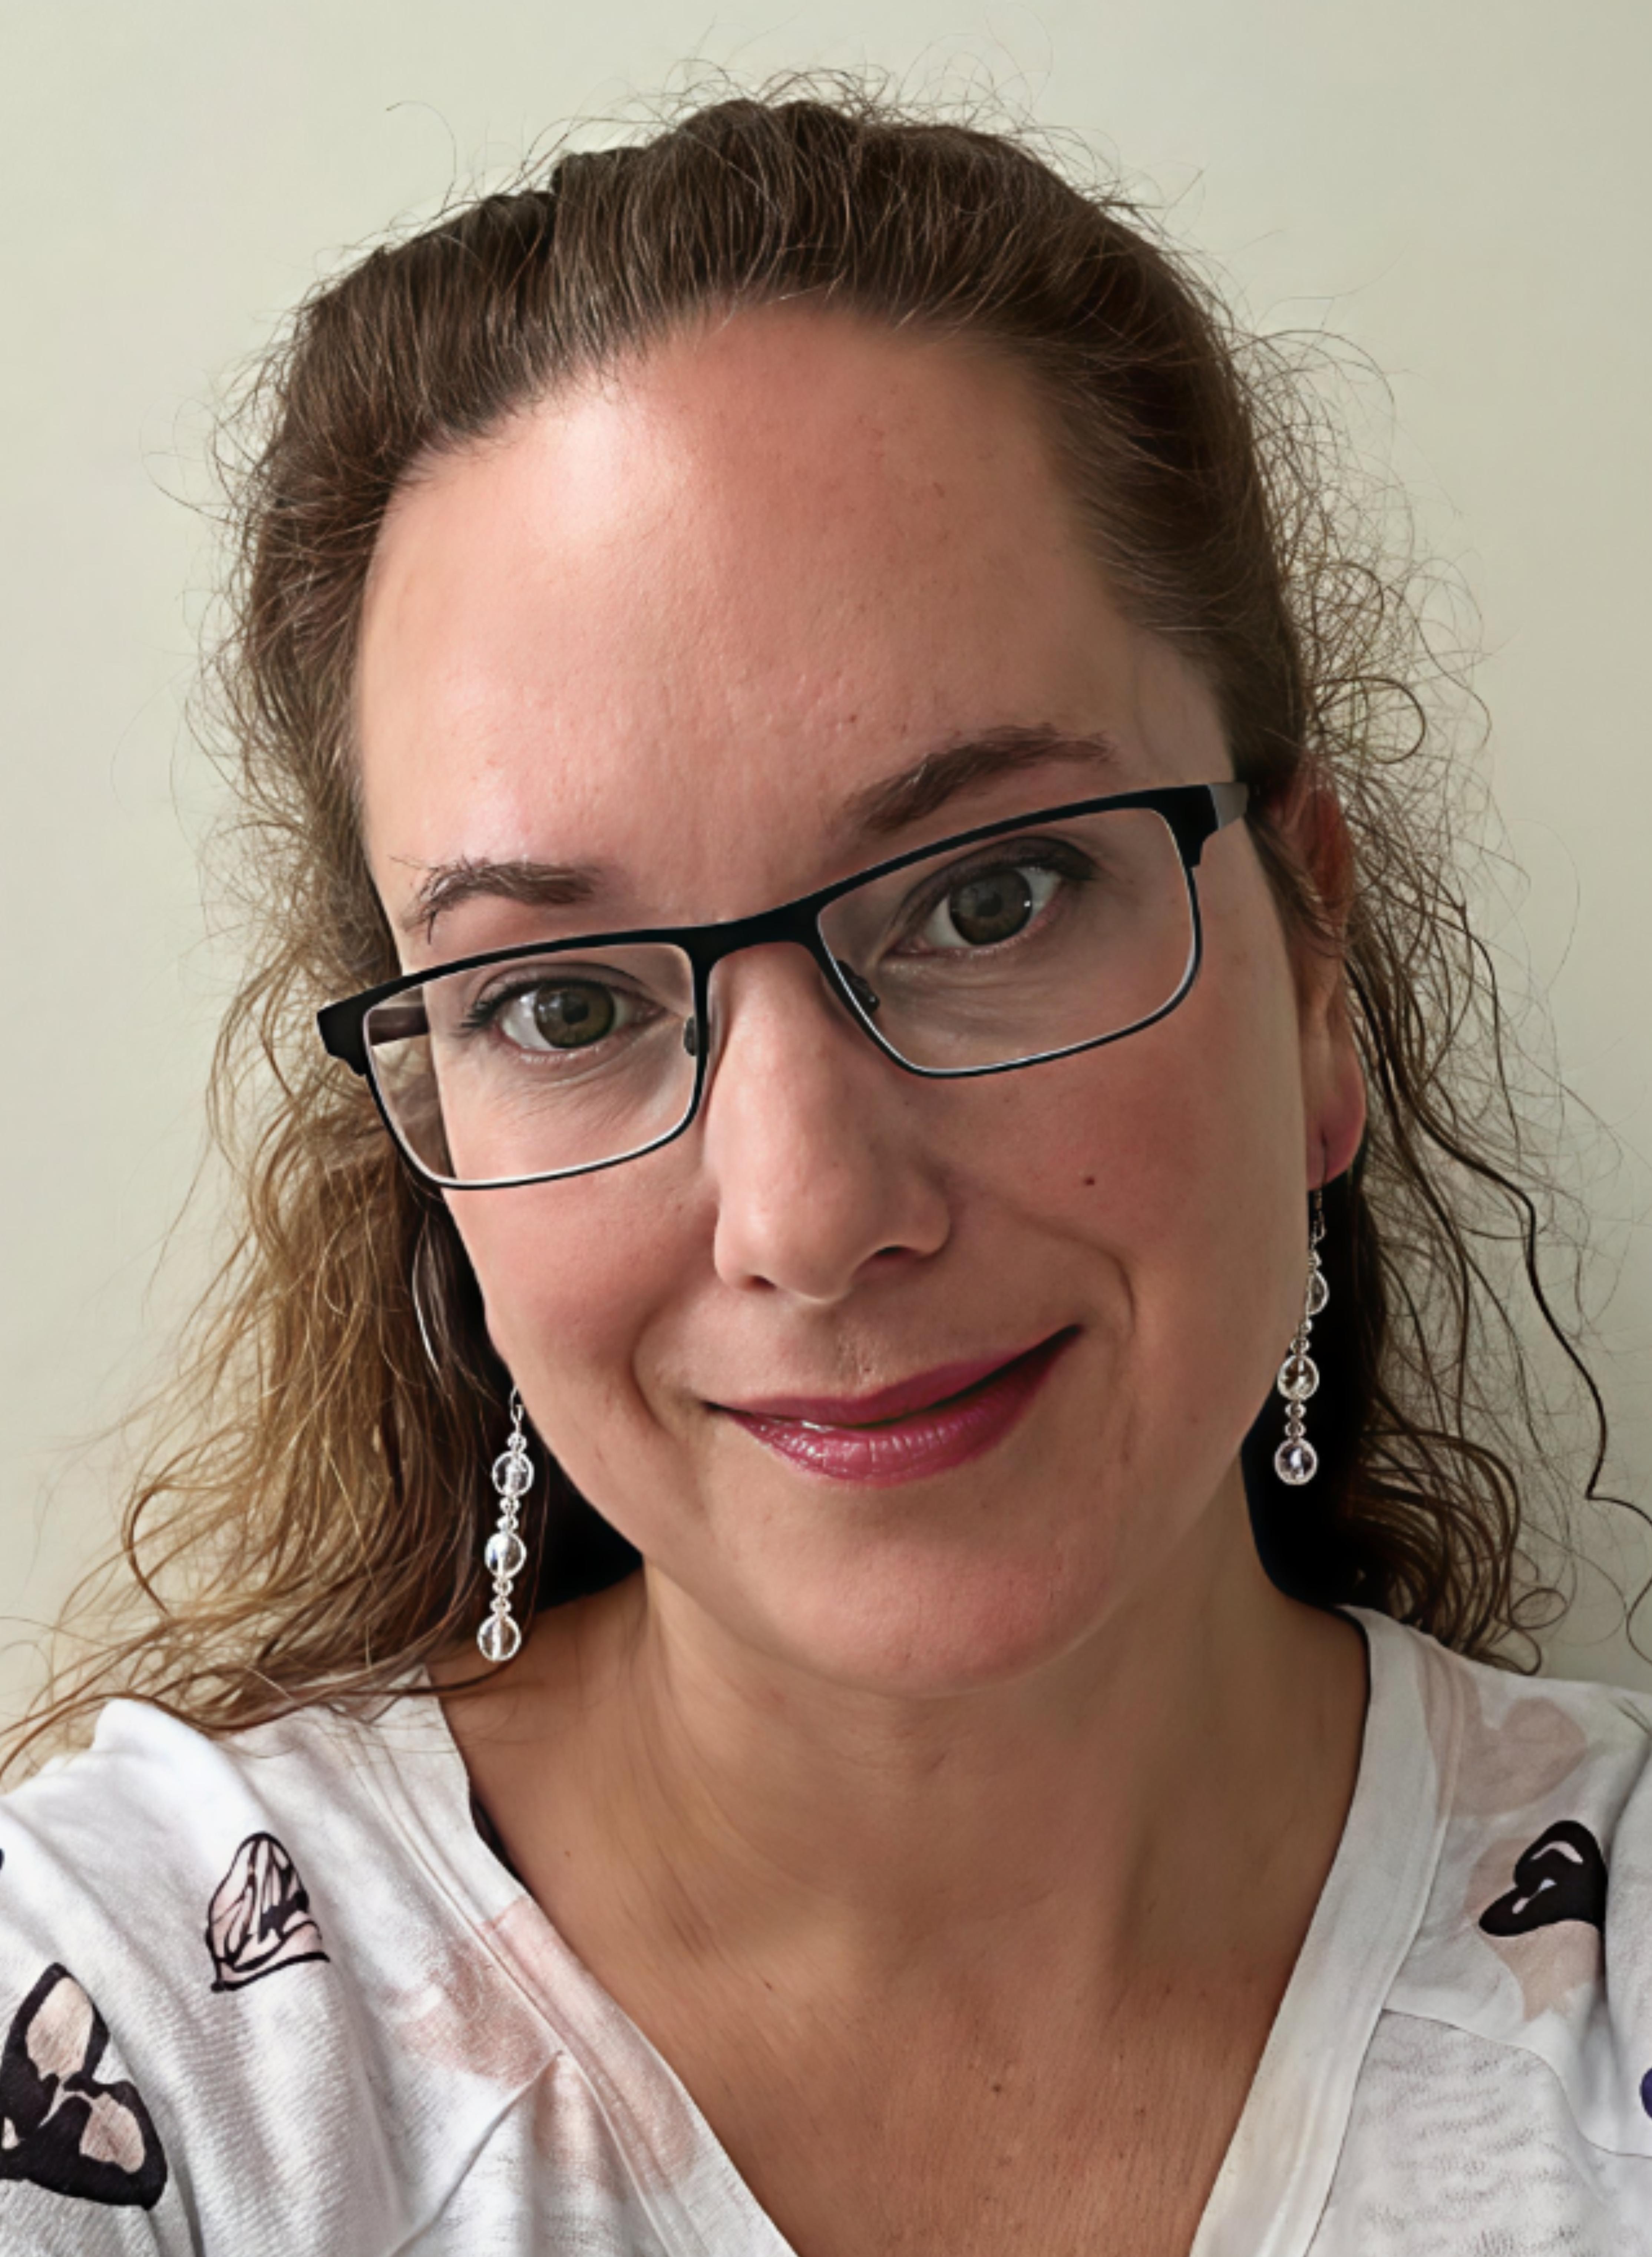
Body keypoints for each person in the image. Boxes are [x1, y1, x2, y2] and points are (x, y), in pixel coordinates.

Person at [1, 85, 1647, 2257]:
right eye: (561, 1005)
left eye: (989, 896)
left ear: (1311, 961)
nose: (806, 1215)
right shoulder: (135, 2032)